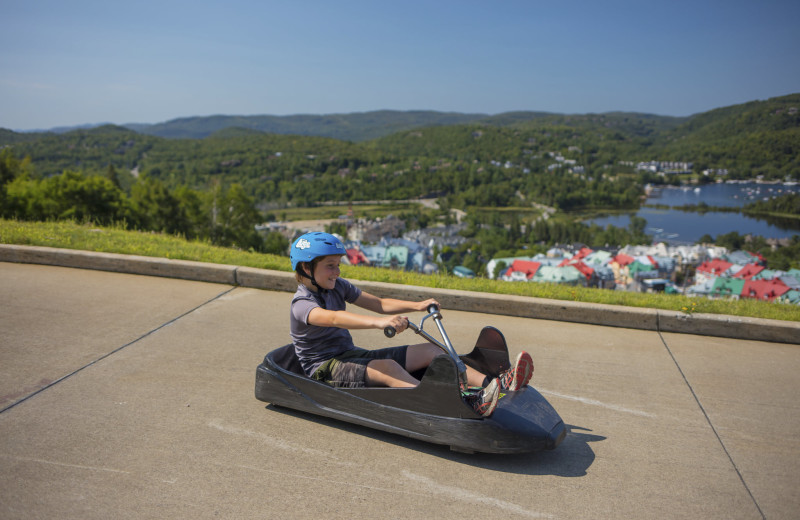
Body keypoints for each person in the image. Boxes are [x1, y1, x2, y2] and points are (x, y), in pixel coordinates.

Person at [288, 231, 533, 417]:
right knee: (388, 368)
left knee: (433, 352)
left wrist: (417, 305)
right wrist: (379, 323)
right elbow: (332, 318)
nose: (337, 271)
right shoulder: (302, 304)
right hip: (324, 369)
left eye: (338, 264)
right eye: (330, 266)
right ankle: (461, 406)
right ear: (306, 267)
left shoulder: (337, 286)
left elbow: (380, 303)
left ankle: (496, 385)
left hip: (350, 355)